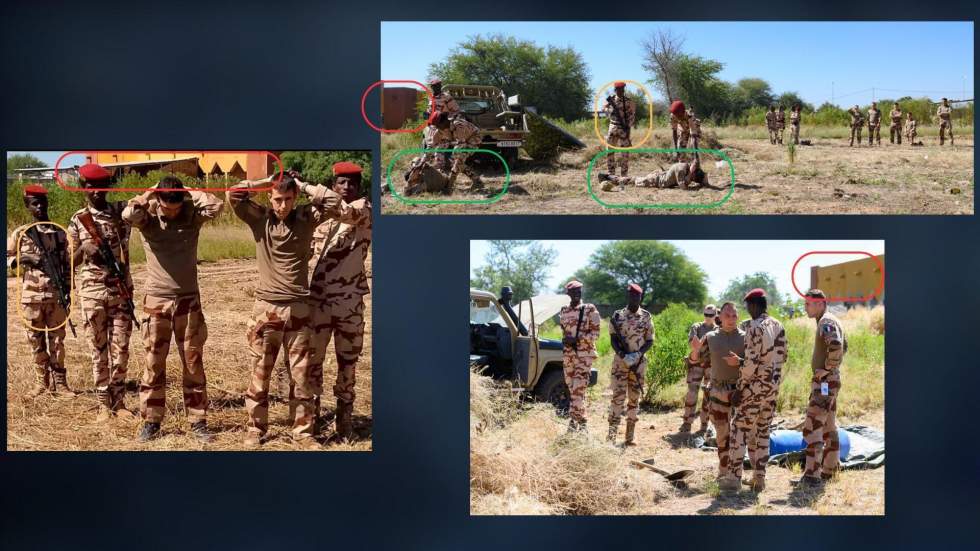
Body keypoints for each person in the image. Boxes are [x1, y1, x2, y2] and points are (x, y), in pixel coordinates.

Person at [228, 175, 351, 448]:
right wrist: (265, 181)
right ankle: (255, 429)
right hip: (266, 310)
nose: (282, 206)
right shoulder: (261, 219)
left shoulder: (305, 217)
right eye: (277, 200)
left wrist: (303, 185)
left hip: (298, 311)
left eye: (287, 200)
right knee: (260, 374)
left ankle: (303, 433)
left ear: (295, 199)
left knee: (302, 376)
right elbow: (233, 194)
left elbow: (335, 201)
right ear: (269, 199)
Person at [122, 176, 224, 441]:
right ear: (158, 200)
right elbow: (128, 213)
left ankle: (198, 420)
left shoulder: (191, 215)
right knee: (154, 363)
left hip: (188, 301)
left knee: (192, 362)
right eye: (167, 206)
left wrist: (189, 191)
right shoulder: (148, 218)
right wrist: (148, 193)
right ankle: (151, 421)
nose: (172, 212)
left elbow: (216, 206)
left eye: (176, 205)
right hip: (156, 302)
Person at [304, 162, 372, 440]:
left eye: (351, 183)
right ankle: (313, 421)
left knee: (347, 366)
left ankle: (345, 425)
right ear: (334, 185)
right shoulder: (321, 217)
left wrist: (304, 186)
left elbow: (344, 210)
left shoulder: (363, 210)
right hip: (317, 304)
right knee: (312, 364)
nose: (346, 188)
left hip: (348, 306)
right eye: (341, 183)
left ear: (359, 186)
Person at [68, 164, 134, 420]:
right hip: (92, 292)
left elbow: (145, 201)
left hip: (120, 290)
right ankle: (103, 404)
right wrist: (83, 249)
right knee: (98, 349)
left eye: (100, 187)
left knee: (121, 348)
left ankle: (119, 402)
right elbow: (69, 261)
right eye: (90, 187)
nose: (96, 192)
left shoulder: (121, 212)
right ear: (84, 189)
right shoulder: (77, 219)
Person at [7, 185, 71, 398]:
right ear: (28, 206)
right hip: (31, 297)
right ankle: (41, 383)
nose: (40, 207)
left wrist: (68, 291)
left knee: (58, 341)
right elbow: (7, 257)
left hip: (56, 295)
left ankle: (61, 384)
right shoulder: (22, 233)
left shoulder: (59, 232)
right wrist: (23, 259)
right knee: (35, 340)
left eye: (43, 202)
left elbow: (68, 265)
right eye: (35, 203)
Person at [724, 289, 787, 492]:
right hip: (772, 389)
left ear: (753, 305)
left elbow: (751, 364)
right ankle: (759, 480)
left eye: (747, 306)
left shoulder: (754, 327)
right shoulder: (778, 325)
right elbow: (781, 357)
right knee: (762, 433)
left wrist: (740, 389)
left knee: (739, 429)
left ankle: (733, 480)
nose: (747, 310)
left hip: (754, 389)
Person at [691, 302, 745, 493]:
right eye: (727, 315)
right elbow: (696, 361)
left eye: (734, 315)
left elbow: (756, 364)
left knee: (739, 436)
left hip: (741, 393)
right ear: (719, 317)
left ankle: (736, 475)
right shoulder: (711, 337)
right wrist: (696, 350)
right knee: (722, 434)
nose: (731, 319)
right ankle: (723, 472)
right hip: (718, 393)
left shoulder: (746, 338)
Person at [796, 289, 847, 487]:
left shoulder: (826, 321)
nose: (805, 307)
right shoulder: (832, 319)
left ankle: (811, 475)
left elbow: (836, 345)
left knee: (813, 427)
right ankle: (830, 469)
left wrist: (826, 369)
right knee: (828, 426)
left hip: (825, 382)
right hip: (831, 380)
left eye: (808, 303)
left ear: (820, 303)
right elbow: (844, 345)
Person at [607, 283, 654, 445]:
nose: (634, 299)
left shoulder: (646, 316)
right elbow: (613, 339)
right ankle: (611, 435)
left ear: (640, 297)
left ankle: (629, 437)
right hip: (620, 364)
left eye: (637, 296)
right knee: (617, 398)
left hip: (639, 364)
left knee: (634, 399)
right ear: (628, 297)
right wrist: (622, 355)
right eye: (631, 296)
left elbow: (650, 340)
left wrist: (637, 354)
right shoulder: (618, 316)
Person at [557, 280, 601, 433]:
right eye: (574, 292)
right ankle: (583, 422)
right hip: (569, 356)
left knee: (577, 390)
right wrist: (566, 340)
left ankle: (572, 424)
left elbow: (596, 334)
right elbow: (564, 331)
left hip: (584, 356)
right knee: (573, 389)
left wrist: (578, 339)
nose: (577, 294)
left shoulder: (590, 309)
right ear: (568, 294)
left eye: (579, 291)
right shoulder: (564, 311)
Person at [680, 304, 716, 434]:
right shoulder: (696, 326)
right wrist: (698, 346)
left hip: (711, 365)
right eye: (706, 314)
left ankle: (704, 425)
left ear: (715, 315)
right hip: (696, 363)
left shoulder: (719, 329)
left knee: (708, 394)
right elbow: (692, 344)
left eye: (711, 315)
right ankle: (687, 423)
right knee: (692, 393)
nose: (708, 317)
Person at [431, 111, 483, 191]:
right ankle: (476, 181)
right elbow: (434, 144)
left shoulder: (459, 126)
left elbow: (460, 146)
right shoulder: (443, 127)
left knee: (458, 160)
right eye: (436, 126)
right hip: (462, 141)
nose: (438, 127)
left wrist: (453, 162)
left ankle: (450, 185)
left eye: (438, 125)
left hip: (474, 139)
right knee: (455, 160)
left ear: (444, 121)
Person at [598, 158, 709, 191]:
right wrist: (691, 177)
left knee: (632, 179)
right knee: (631, 180)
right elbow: (683, 187)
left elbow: (702, 178)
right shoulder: (681, 169)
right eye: (694, 178)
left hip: (658, 177)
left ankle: (608, 177)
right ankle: (607, 176)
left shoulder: (686, 168)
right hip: (654, 181)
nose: (693, 180)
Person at [604, 82, 636, 177]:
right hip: (613, 127)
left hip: (624, 129)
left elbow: (632, 115)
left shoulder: (628, 101)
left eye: (622, 89)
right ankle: (611, 173)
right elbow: (604, 109)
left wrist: (628, 127)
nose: (621, 91)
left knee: (625, 153)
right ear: (615, 90)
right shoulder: (611, 100)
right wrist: (610, 111)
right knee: (609, 151)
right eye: (619, 90)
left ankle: (624, 175)